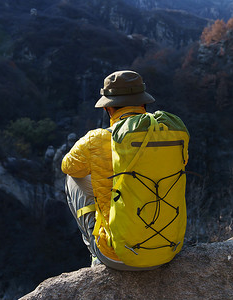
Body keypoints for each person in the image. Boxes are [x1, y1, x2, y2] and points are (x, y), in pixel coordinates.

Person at [61, 70, 173, 270]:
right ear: (143, 105)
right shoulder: (169, 134)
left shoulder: (96, 140)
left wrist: (101, 164)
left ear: (109, 109)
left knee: (72, 178)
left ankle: (96, 254)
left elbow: (67, 166)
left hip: (118, 258)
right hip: (168, 249)